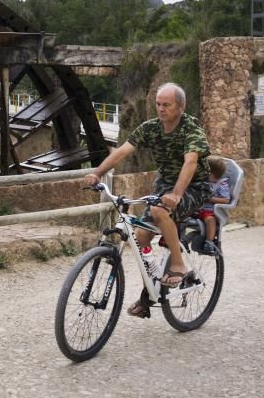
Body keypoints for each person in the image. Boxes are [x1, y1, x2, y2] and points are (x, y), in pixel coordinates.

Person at [83, 82, 211, 316]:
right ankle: (150, 292)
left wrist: (177, 194)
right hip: (165, 186)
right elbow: (122, 151)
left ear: (181, 107)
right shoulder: (150, 128)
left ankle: (178, 263)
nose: (161, 109)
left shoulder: (191, 129)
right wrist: (97, 173)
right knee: (141, 236)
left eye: (167, 105)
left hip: (195, 186)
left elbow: (190, 162)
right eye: (158, 104)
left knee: (159, 211)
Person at [200, 156, 230, 256]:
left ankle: (209, 242)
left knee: (210, 220)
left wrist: (210, 199)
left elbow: (226, 200)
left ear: (212, 173)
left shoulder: (221, 184)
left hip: (210, 210)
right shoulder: (205, 180)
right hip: (197, 208)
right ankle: (180, 239)